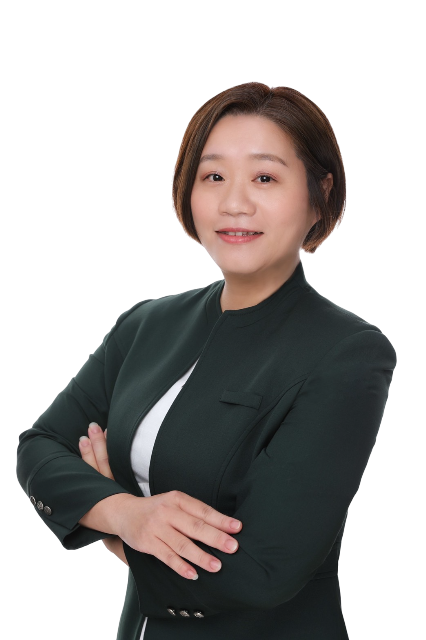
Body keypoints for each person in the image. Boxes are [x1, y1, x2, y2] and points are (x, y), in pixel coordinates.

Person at [16, 81, 397, 639]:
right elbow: (40, 447)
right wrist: (125, 512)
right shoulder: (147, 323)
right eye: (213, 176)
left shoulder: (348, 353)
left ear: (320, 193)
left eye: (264, 178)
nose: (233, 203)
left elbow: (262, 571)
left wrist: (115, 535)